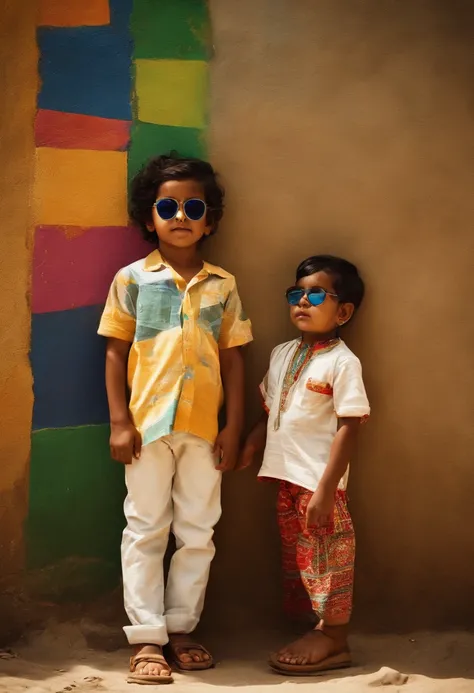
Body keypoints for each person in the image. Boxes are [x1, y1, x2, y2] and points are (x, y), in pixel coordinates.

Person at [98, 154, 252, 685]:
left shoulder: (223, 284)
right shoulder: (132, 280)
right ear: (149, 217)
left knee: (198, 529)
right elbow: (116, 353)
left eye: (193, 207)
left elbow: (234, 356)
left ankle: (182, 628)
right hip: (145, 428)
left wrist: (233, 426)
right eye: (168, 206)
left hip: (205, 431)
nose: (180, 215)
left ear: (209, 220)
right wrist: (120, 421)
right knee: (144, 528)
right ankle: (145, 639)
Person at [239, 255, 369, 676]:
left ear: (344, 311)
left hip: (319, 482)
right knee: (304, 558)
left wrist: (329, 488)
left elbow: (350, 426)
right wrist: (252, 443)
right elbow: (269, 407)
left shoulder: (343, 362)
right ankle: (312, 627)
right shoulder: (281, 353)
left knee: (329, 558)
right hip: (286, 478)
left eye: (316, 294)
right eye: (297, 293)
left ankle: (334, 637)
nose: (303, 302)